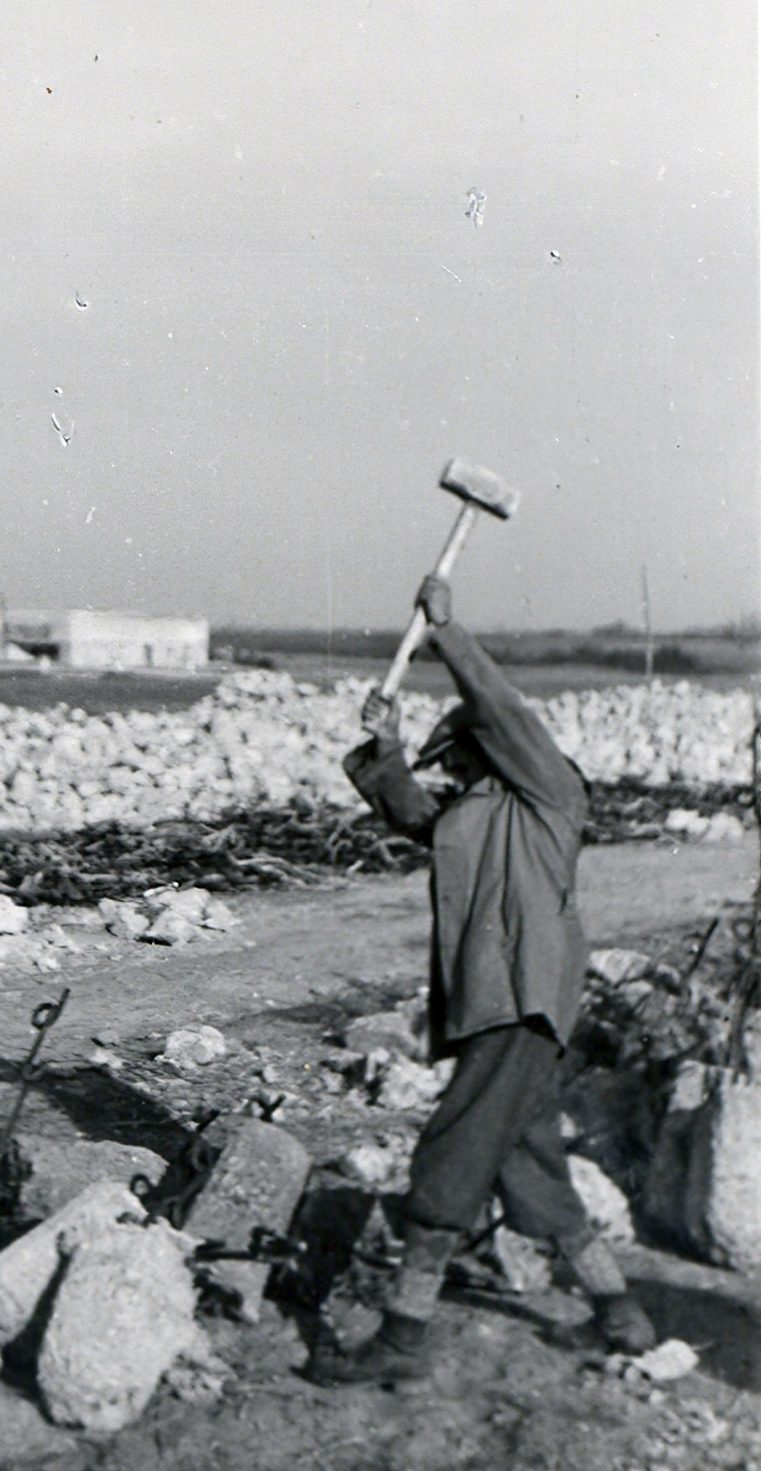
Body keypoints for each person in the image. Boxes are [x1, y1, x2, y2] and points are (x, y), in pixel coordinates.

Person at [310, 575, 655, 1386]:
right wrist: (387, 746)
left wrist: (448, 634)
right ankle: (623, 1317)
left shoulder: (547, 795)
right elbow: (413, 814)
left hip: (522, 1005)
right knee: (530, 1169)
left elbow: (506, 713)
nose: (450, 769)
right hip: (496, 1009)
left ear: (485, 748)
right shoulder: (472, 813)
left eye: (456, 756)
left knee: (447, 1163)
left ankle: (400, 1342)